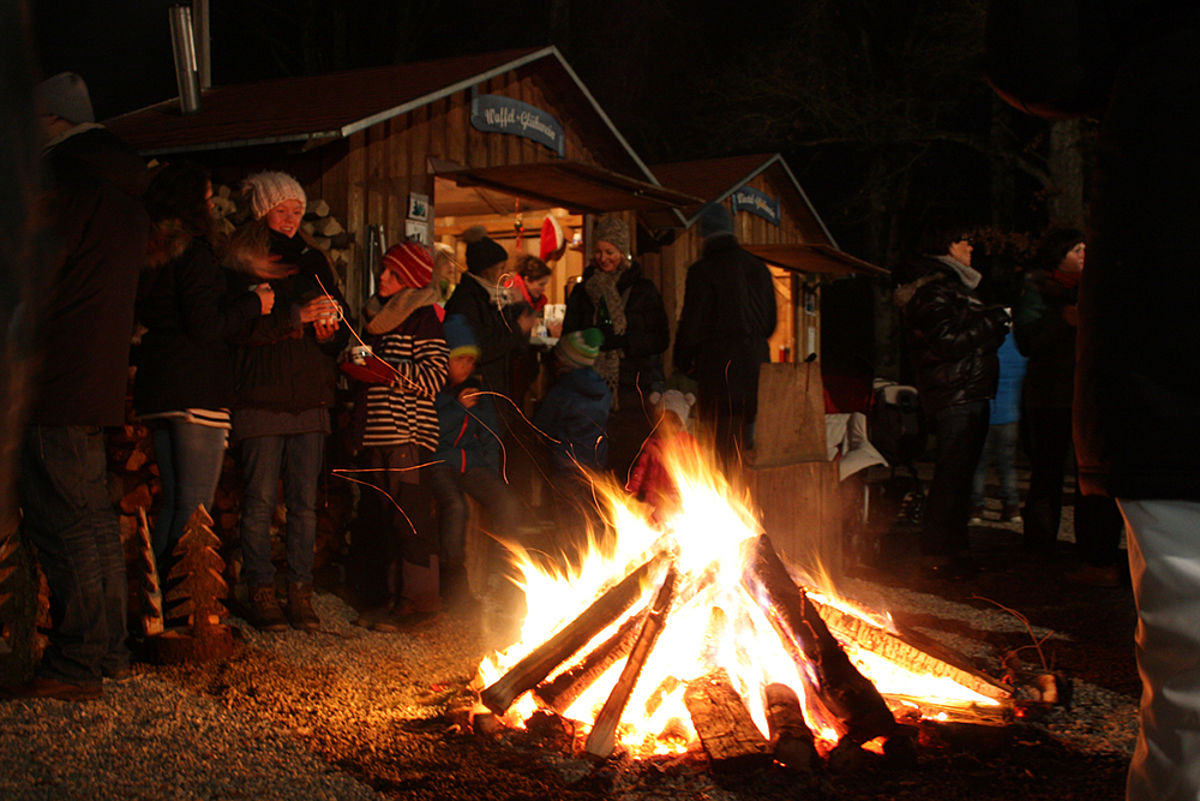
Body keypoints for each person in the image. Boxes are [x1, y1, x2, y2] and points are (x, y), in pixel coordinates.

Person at [988, 6, 1200, 798]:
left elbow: (1037, 60)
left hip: (1173, 374)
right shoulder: (1041, 292)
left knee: (1193, 709)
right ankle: (1069, 553)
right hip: (1170, 385)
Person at [6, 72, 149, 700]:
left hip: (52, 377)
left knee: (65, 525)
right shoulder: (121, 184)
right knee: (90, 523)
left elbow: (30, 281)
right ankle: (107, 650)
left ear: (54, 121)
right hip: (92, 376)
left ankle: (77, 661)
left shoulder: (62, 182)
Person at [225, 170, 348, 632]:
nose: (293, 218)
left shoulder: (315, 259)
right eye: (283, 210)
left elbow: (342, 319)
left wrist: (332, 329)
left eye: (298, 210)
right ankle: (260, 589)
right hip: (261, 397)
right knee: (257, 502)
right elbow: (235, 328)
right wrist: (295, 316)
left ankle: (300, 592)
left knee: (303, 504)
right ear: (263, 210)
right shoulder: (242, 259)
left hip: (310, 398)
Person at [133, 162, 273, 567]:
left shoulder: (156, 255)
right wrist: (254, 303)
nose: (213, 207)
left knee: (175, 504)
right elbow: (207, 325)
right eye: (209, 200)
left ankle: (158, 606)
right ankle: (185, 614)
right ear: (193, 205)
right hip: (196, 391)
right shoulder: (194, 255)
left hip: (159, 388)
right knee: (195, 511)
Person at [892, 221, 1010, 578]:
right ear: (945, 244)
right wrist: (993, 322)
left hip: (965, 390)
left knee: (959, 475)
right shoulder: (935, 290)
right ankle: (938, 553)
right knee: (952, 476)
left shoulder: (952, 287)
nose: (971, 247)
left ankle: (953, 551)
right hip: (954, 394)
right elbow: (946, 341)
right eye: (964, 240)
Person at [1013, 227, 1124, 581]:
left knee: (1091, 477)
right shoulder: (1036, 289)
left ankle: (1093, 553)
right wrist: (1061, 321)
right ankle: (1039, 548)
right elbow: (1027, 340)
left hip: (1090, 395)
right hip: (1050, 396)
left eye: (1086, 249)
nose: (1084, 256)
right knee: (1047, 472)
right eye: (1077, 250)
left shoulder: (1100, 288)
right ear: (1058, 255)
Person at [348, 241, 448, 632]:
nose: (383, 277)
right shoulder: (377, 317)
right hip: (377, 432)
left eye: (393, 273)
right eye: (384, 270)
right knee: (388, 517)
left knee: (411, 517)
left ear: (410, 280)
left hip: (408, 434)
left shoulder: (422, 319)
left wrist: (386, 370)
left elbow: (435, 375)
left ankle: (421, 603)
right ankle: (396, 598)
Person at [562, 216, 668, 478]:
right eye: (598, 251)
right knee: (594, 463)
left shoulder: (644, 290)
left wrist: (625, 341)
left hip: (634, 389)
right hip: (591, 390)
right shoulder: (583, 291)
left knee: (631, 462)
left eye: (610, 251)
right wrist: (588, 340)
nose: (603, 258)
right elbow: (567, 339)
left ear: (622, 252)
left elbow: (661, 337)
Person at [673, 203, 776, 467]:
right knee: (747, 453)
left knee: (718, 459)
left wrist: (682, 363)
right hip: (754, 375)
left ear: (702, 236)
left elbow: (692, 325)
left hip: (718, 375)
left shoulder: (703, 271)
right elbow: (769, 324)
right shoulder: (758, 269)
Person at [430, 314, 520, 605]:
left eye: (470, 361)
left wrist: (492, 472)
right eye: (460, 360)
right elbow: (432, 432)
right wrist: (457, 409)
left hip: (473, 464)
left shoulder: (479, 393)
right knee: (455, 508)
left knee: (507, 503)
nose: (466, 367)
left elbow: (490, 435)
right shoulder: (434, 392)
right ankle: (454, 581)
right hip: (441, 463)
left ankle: (503, 573)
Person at [969, 326, 1026, 524]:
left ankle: (976, 507)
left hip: (986, 413)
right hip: (1010, 414)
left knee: (979, 465)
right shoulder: (1018, 347)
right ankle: (1011, 507)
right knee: (1007, 464)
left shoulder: (985, 346)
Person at [625, 389, 698, 526]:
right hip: (653, 497)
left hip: (675, 498)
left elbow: (695, 470)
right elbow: (640, 470)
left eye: (672, 422)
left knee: (673, 523)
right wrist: (632, 490)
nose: (666, 426)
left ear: (680, 424)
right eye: (662, 421)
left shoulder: (687, 444)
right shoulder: (652, 444)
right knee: (654, 524)